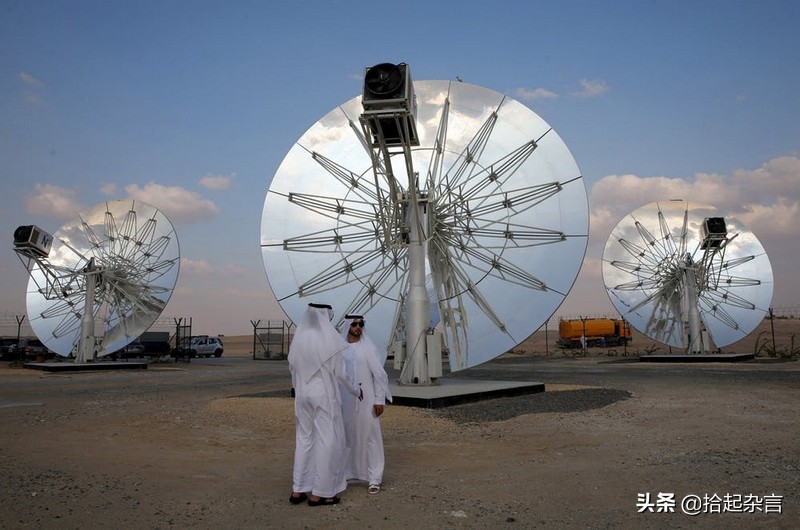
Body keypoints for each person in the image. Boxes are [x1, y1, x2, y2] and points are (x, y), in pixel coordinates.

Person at [288, 303, 362, 507]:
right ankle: (322, 493)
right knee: (327, 440)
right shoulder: (330, 338)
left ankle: (298, 489)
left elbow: (292, 368)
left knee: (304, 439)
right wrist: (356, 390)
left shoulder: (299, 339)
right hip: (323, 396)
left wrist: (297, 389)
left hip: (302, 396)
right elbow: (342, 374)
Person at [339, 314, 392, 494]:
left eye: (361, 324)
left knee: (371, 436)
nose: (358, 327)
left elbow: (379, 375)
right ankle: (348, 473)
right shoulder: (340, 349)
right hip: (345, 399)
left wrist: (379, 399)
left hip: (367, 399)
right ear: (348, 326)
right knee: (347, 436)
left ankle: (374, 477)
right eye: (354, 324)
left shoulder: (368, 348)